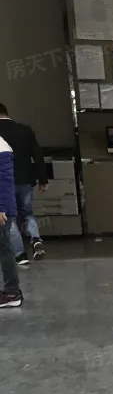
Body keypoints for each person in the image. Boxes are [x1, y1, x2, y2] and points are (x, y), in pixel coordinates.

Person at [0, 103, 50, 264]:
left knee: (11, 218)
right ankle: (36, 239)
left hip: (5, 182)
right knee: (28, 213)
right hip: (26, 180)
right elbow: (38, 155)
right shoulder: (25, 130)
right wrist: (43, 179)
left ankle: (20, 255)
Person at [0, 134, 21, 308]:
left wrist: (1, 208)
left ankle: (12, 292)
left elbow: (5, 181)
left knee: (4, 249)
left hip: (3, 211)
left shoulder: (2, 148)